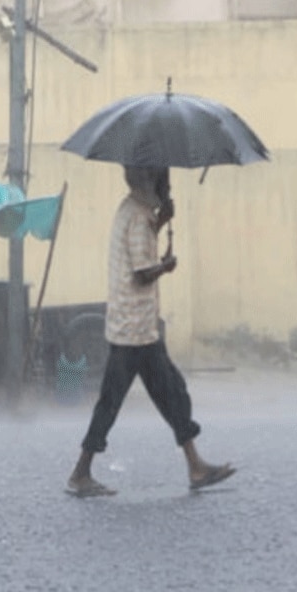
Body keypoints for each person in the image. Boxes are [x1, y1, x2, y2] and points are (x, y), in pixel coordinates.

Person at [66, 164, 237, 497]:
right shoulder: (140, 218)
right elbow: (143, 272)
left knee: (169, 392)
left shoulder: (132, 210)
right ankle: (81, 472)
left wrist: (161, 221)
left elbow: (139, 250)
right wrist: (167, 266)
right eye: (164, 181)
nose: (167, 187)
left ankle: (194, 465)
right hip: (135, 331)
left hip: (134, 327)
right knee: (125, 400)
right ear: (151, 181)